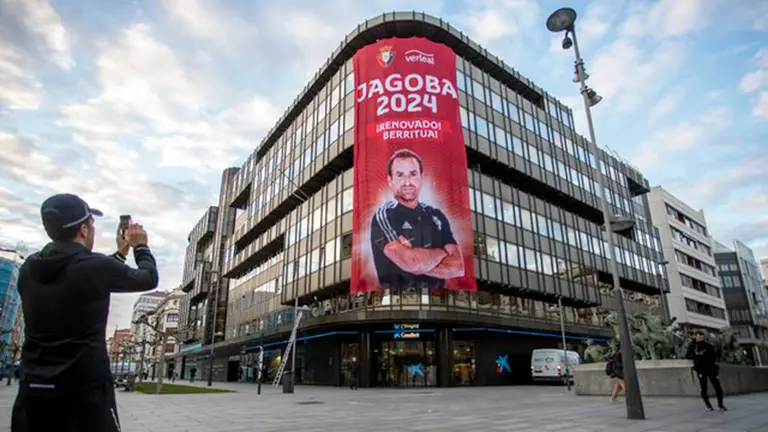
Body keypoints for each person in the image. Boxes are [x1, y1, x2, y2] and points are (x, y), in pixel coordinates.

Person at [11, 193, 159, 432]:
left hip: (33, 389)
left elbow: (79, 276)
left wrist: (120, 254)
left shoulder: (29, 268)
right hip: (84, 391)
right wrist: (140, 246)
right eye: (91, 224)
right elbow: (148, 277)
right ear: (83, 229)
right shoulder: (95, 267)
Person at [370, 149, 465, 290]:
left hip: (437, 303)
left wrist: (418, 262)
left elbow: (458, 267)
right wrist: (442, 254)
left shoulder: (436, 215)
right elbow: (413, 262)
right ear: (390, 181)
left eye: (413, 174)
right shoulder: (384, 215)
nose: (407, 182)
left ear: (421, 177)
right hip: (396, 302)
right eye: (400, 175)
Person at [686, 329, 727, 411]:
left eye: (701, 336)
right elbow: (688, 356)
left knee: (717, 387)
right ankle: (708, 405)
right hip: (701, 369)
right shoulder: (692, 345)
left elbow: (714, 356)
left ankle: (720, 404)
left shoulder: (708, 345)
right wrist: (696, 354)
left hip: (711, 368)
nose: (700, 338)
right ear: (696, 337)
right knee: (704, 388)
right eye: (698, 336)